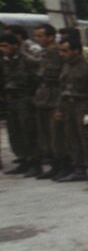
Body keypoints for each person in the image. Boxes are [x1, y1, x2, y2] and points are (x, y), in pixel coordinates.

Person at [53, 35, 88, 183]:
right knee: (72, 137)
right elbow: (62, 88)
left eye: (65, 50)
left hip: (84, 105)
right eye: (60, 50)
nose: (62, 54)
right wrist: (59, 108)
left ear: (76, 50)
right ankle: (79, 168)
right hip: (69, 106)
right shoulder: (66, 65)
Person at [0, 32, 39, 176]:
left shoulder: (28, 61)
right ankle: (23, 160)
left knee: (28, 131)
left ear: (15, 45)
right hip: (10, 101)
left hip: (25, 99)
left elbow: (37, 81)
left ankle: (35, 162)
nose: (2, 49)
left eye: (5, 46)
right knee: (14, 132)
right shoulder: (3, 61)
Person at [31, 23, 62, 178]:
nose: (37, 39)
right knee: (45, 134)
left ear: (50, 37)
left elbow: (59, 77)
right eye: (36, 35)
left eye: (40, 35)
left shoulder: (57, 52)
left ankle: (62, 165)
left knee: (55, 134)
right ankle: (53, 165)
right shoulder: (43, 53)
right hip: (43, 96)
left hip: (54, 95)